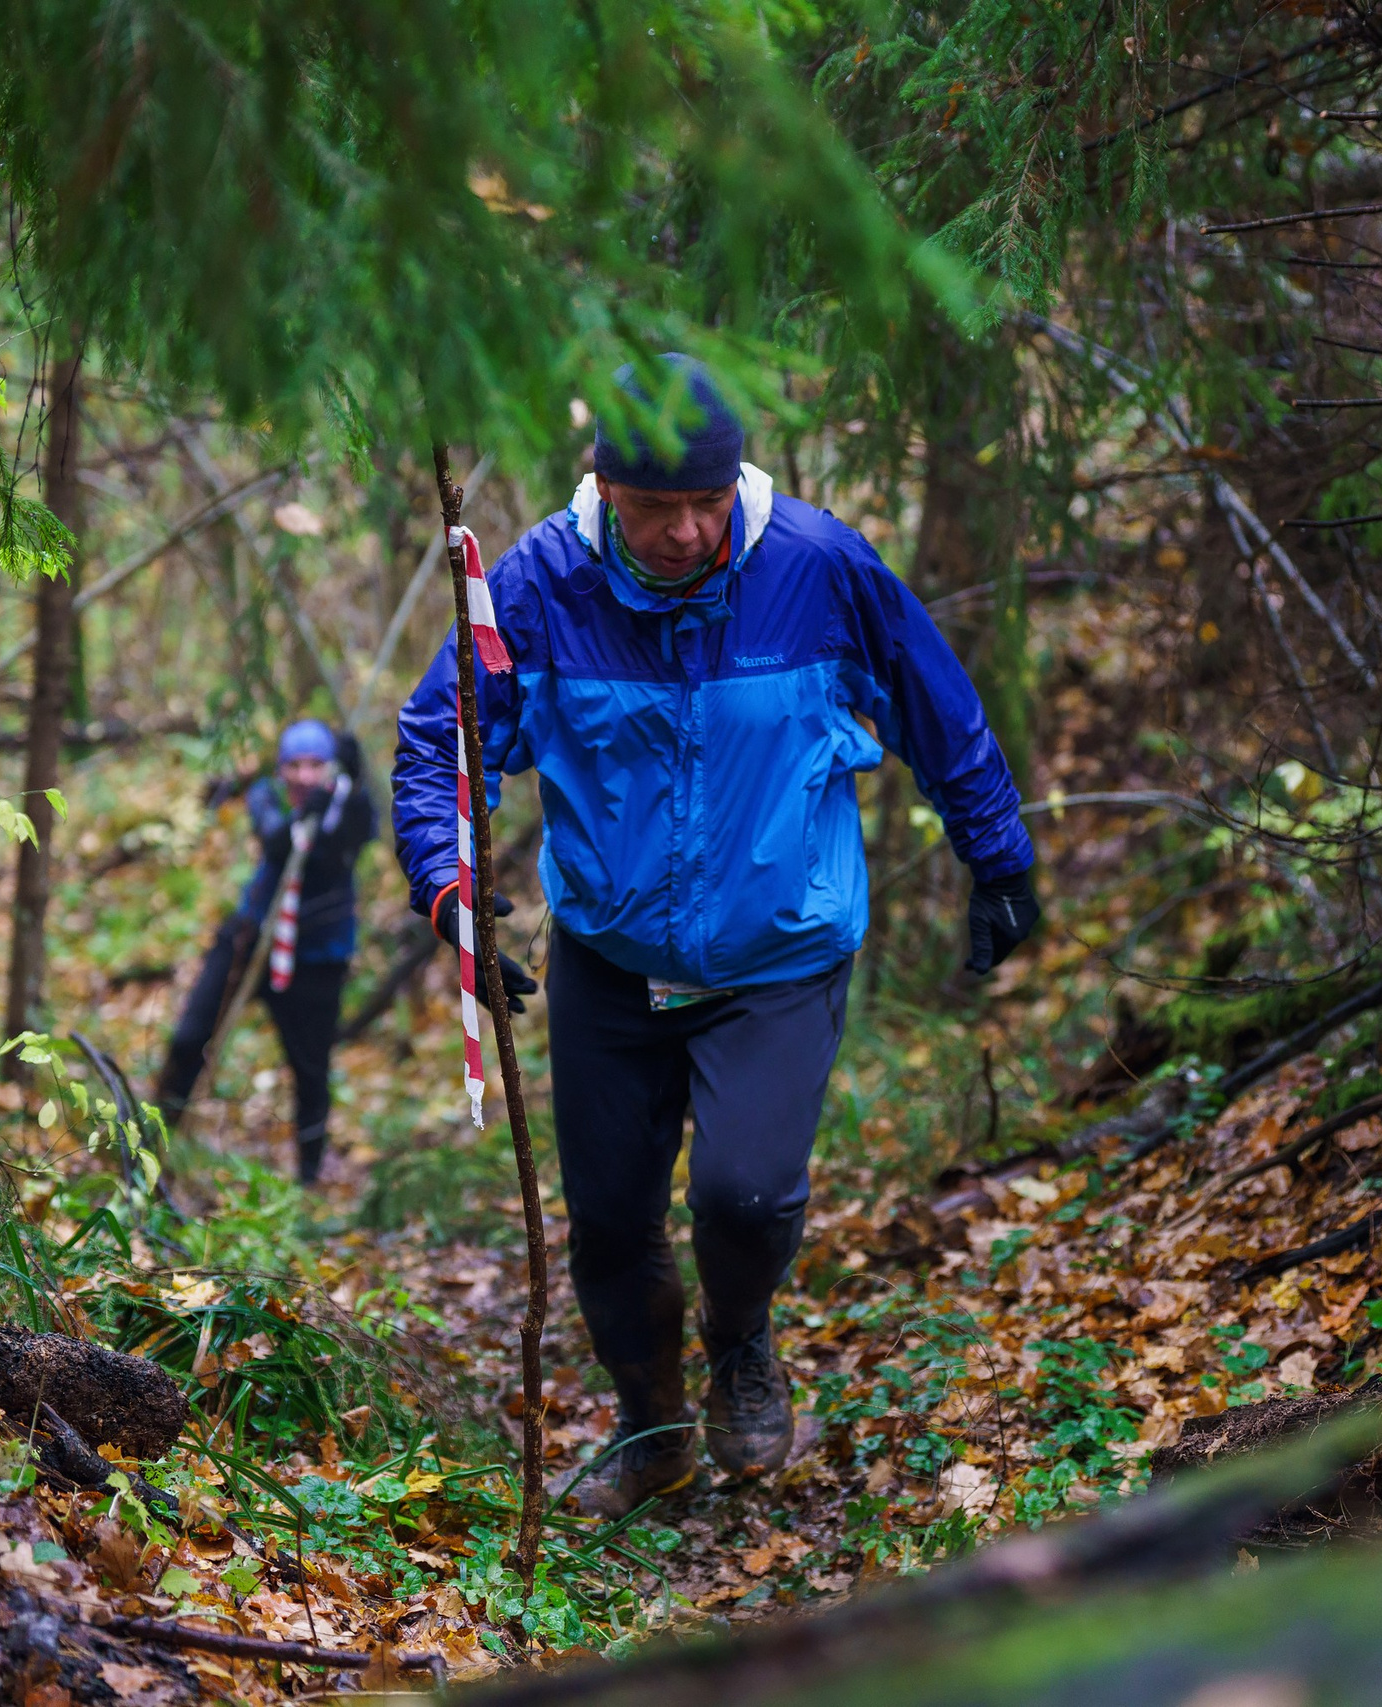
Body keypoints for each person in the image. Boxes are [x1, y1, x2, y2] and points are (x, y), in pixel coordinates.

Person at [392, 356, 1041, 1515]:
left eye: (705, 502)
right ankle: (653, 1433)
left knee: (743, 1195)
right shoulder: (538, 589)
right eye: (657, 511)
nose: (688, 532)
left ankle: (742, 1340)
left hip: (777, 954)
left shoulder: (817, 568)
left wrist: (997, 857)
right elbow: (440, 743)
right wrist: (449, 894)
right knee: (608, 1223)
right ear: (605, 488)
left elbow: (936, 707)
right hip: (612, 954)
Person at [156, 718, 377, 1185]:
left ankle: (308, 1182)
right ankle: (153, 1149)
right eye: (293, 765)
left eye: (315, 765)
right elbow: (276, 843)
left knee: (310, 1070)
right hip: (251, 938)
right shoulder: (265, 796)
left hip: (318, 956)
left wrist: (355, 787)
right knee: (189, 1037)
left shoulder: (344, 804)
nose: (303, 776)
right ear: (281, 769)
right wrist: (304, 815)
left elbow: (358, 835)